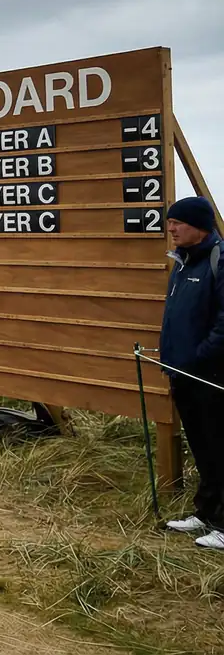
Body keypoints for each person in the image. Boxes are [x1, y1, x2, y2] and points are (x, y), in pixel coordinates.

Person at [159, 196, 224, 550]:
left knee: (219, 443)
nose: (171, 228)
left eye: (178, 223)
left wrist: (200, 357)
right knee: (201, 444)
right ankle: (206, 512)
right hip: (182, 373)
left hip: (210, 375)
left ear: (200, 226)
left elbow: (223, 322)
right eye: (170, 222)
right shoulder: (182, 264)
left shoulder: (219, 259)